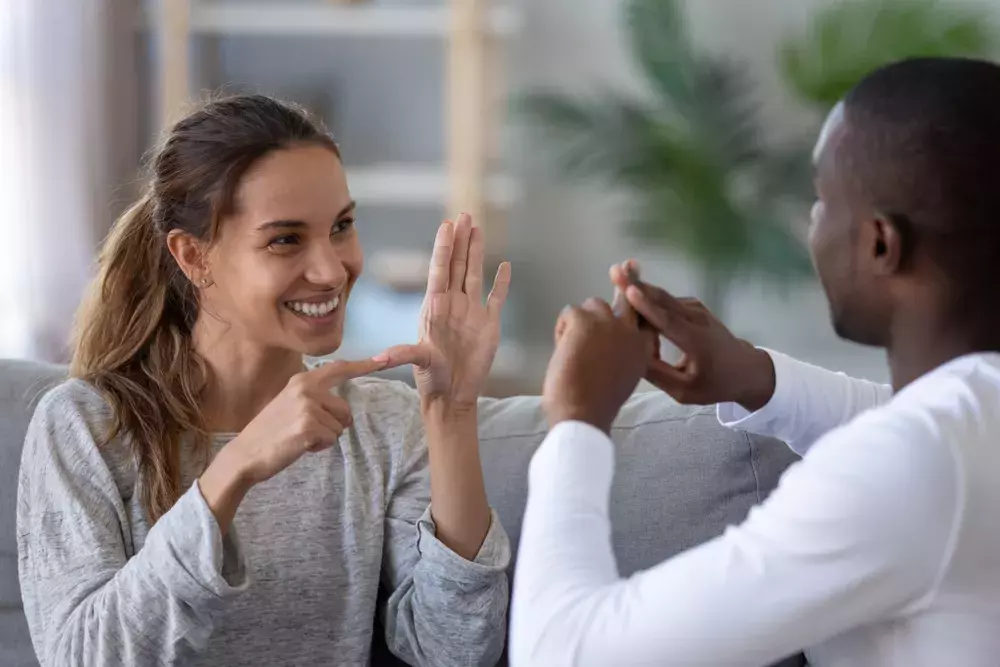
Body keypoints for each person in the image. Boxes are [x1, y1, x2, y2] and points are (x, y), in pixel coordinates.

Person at [510, 57, 1000, 666]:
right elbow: (909, 420)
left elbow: (562, 652)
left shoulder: (912, 465)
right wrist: (752, 376)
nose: (811, 225)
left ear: (880, 243)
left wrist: (577, 419)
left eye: (822, 202)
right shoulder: (971, 420)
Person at [16, 94, 512, 667]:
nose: (332, 270)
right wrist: (235, 468)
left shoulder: (382, 422)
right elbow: (82, 658)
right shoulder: (84, 426)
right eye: (285, 239)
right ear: (193, 257)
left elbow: (455, 652)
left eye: (342, 226)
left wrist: (452, 416)